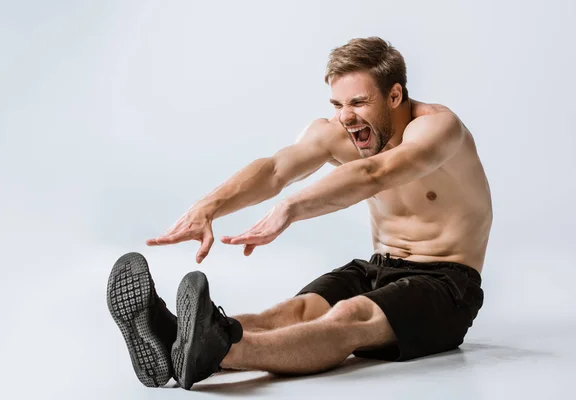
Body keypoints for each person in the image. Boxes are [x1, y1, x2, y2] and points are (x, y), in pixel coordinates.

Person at [106, 36, 492, 390]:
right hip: (378, 265)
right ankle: (174, 337)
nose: (346, 117)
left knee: (351, 314)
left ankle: (218, 350)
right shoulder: (338, 131)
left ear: (394, 95)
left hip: (446, 283)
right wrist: (209, 206)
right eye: (338, 105)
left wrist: (292, 207)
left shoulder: (438, 128)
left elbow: (376, 173)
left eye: (358, 102)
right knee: (294, 311)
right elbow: (275, 169)